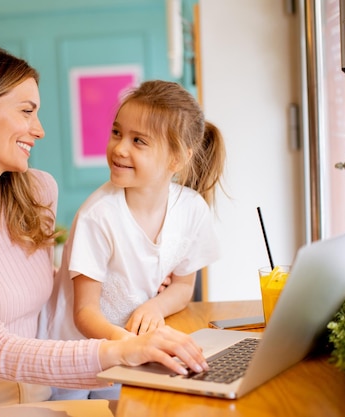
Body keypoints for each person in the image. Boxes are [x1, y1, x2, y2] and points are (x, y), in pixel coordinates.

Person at [0, 45, 209, 417]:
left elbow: (35, 289)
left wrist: (127, 282)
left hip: (34, 394)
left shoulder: (36, 193)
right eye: (27, 112)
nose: (40, 130)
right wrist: (122, 351)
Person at [41, 80, 225, 400]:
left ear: (177, 159)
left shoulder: (192, 210)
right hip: (72, 352)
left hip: (130, 352)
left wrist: (156, 307)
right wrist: (130, 344)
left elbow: (183, 286)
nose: (120, 148)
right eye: (117, 133)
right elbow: (84, 312)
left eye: (138, 140)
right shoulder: (98, 216)